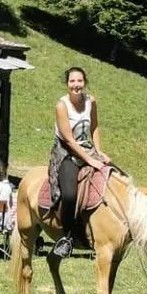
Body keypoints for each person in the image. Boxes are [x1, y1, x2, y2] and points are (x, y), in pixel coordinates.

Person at [48, 66, 110, 259]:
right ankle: (66, 238)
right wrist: (90, 159)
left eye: (79, 81)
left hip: (89, 150)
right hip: (67, 154)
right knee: (69, 194)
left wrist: (99, 151)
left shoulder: (91, 101)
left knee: (116, 175)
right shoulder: (62, 105)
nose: (76, 85)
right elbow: (68, 140)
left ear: (85, 82)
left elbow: (95, 127)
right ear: (67, 84)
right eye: (72, 81)